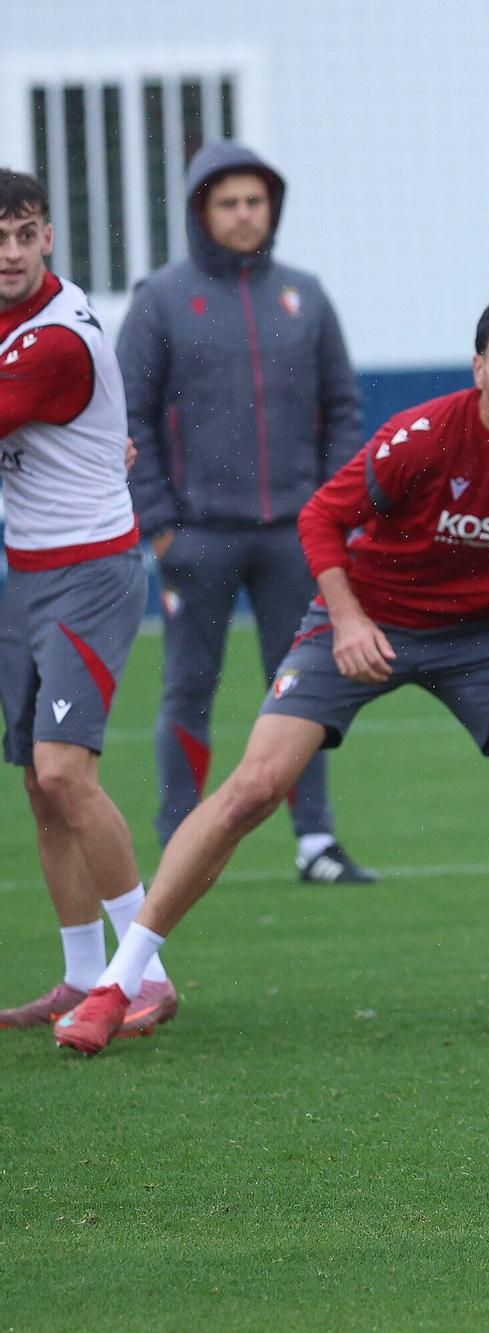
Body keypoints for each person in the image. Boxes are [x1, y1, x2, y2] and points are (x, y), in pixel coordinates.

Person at [52, 296, 489, 1053]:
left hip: (479, 632)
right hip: (365, 614)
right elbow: (320, 518)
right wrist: (347, 620)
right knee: (253, 788)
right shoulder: (423, 436)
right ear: (478, 367)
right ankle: (120, 982)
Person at [120, 142, 374, 885]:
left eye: (255, 201)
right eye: (228, 202)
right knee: (187, 689)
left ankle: (315, 843)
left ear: (273, 209)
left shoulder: (306, 295)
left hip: (296, 538)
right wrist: (160, 524)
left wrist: (334, 513)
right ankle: (178, 839)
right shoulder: (161, 297)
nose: (243, 214)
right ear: (203, 211)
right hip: (195, 536)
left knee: (306, 688)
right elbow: (129, 413)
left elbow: (345, 410)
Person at [0, 168, 177, 1037]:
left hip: (88, 573)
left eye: (24, 232)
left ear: (48, 237)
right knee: (39, 782)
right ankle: (79, 975)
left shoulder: (53, 342)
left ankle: (145, 972)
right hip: (26, 572)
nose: (10, 252)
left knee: (69, 773)